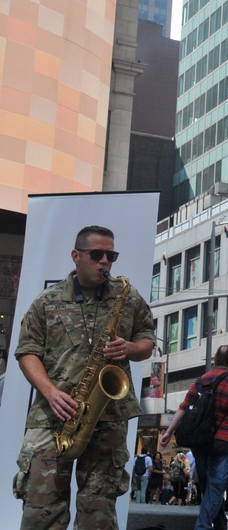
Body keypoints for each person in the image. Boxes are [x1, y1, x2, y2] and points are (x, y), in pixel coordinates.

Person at [13, 225, 156, 530]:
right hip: (54, 415)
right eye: (97, 254)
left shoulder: (128, 298)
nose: (105, 261)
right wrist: (51, 392)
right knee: (42, 509)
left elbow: (147, 339)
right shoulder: (46, 301)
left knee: (99, 508)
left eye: (111, 255)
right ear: (76, 256)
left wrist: (130, 347)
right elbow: (26, 352)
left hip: (107, 416)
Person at [159, 345, 228, 530]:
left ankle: (220, 526)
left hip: (201, 442)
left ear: (214, 359)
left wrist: (168, 432)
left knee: (211, 488)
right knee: (216, 488)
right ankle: (202, 526)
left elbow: (183, 407)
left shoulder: (200, 381)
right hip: (226, 441)